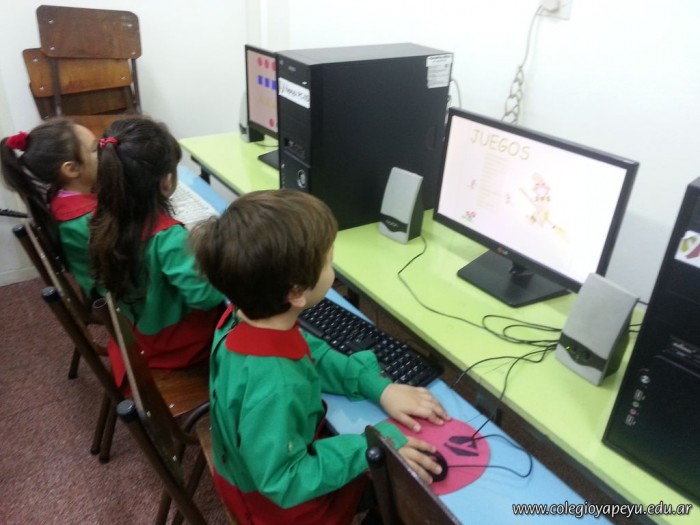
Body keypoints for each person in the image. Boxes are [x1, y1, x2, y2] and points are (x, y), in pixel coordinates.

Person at [190, 189, 450, 525]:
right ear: (296, 292)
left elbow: (311, 352)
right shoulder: (277, 384)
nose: (332, 266)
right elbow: (285, 478)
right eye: (328, 260)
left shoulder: (241, 320)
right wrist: (372, 446)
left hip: (247, 469)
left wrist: (378, 387)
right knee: (406, 495)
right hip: (282, 510)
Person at [89, 116, 225, 386]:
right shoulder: (169, 238)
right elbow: (206, 299)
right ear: (166, 182)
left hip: (137, 332)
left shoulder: (102, 219)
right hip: (177, 347)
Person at [1, 118, 98, 295]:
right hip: (114, 293)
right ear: (71, 169)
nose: (105, 151)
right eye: (95, 149)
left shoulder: (61, 197)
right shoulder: (83, 219)